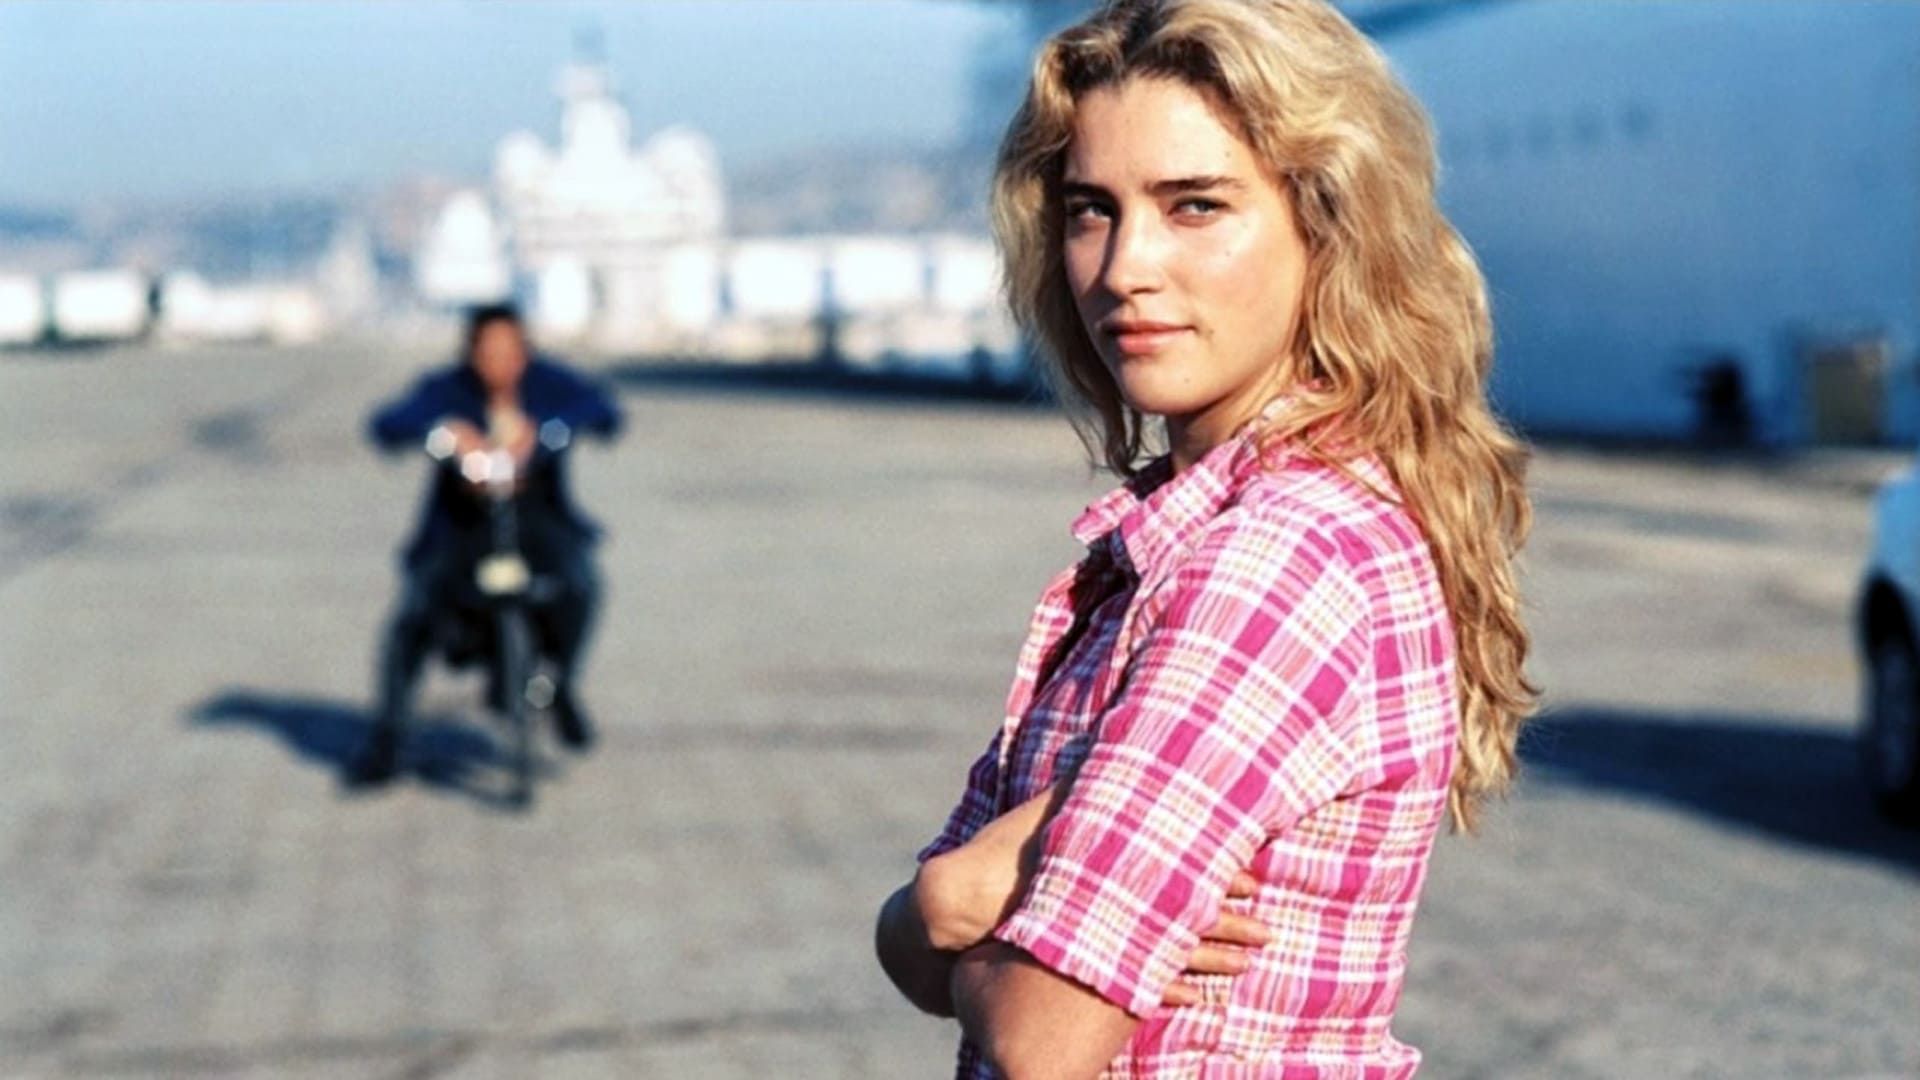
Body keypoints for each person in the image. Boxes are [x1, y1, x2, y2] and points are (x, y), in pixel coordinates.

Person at [873, 1, 1536, 1076]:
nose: (1125, 267)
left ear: (1327, 223)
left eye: (1194, 205)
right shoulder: (1178, 540)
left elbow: (1041, 1036)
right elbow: (916, 954)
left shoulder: (1281, 558)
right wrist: (947, 912)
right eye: (1091, 210)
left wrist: (947, 904)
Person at [355, 303, 623, 782]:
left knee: (581, 585)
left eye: (509, 351)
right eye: (488, 352)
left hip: (538, 520)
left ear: (525, 351)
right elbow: (389, 424)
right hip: (462, 526)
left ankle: (558, 686)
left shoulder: (549, 385)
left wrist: (546, 434)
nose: (499, 363)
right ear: (471, 352)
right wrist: (445, 434)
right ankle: (388, 738)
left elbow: (603, 411)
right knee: (413, 616)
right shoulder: (446, 389)